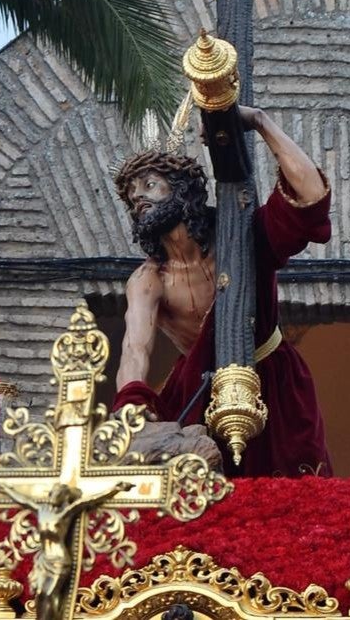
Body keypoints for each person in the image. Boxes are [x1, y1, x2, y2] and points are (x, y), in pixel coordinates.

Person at [111, 105, 332, 477]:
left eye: (149, 185)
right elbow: (135, 347)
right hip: (198, 392)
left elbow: (310, 195)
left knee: (295, 494)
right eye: (132, 194)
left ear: (181, 188)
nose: (138, 198)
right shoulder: (149, 280)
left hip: (275, 385)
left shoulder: (240, 235)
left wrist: (259, 121)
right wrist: (130, 407)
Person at [0, 482, 134, 620]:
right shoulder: (42, 510)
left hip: (59, 561)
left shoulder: (66, 513)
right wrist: (6, 490)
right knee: (41, 594)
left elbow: (89, 501)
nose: (53, 496)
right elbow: (24, 500)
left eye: (58, 494)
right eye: (52, 493)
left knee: (50, 594)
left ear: (64, 497)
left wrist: (115, 490)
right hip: (44, 560)